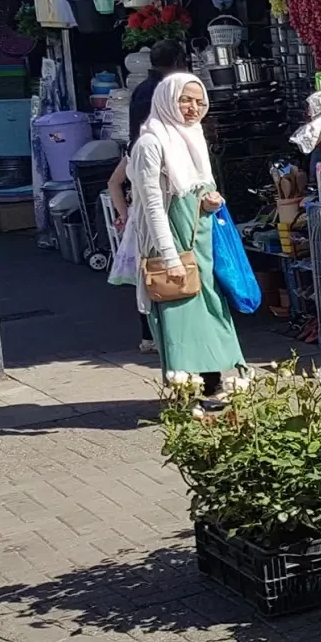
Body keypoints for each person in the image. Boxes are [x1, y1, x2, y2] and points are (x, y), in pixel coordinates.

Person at [129, 72, 243, 400]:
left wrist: (211, 198)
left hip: (202, 242)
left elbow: (198, 185)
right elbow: (151, 205)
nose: (193, 108)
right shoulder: (151, 142)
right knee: (182, 316)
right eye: (185, 100)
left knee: (210, 311)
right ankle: (188, 389)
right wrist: (168, 256)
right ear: (167, 99)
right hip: (173, 244)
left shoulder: (193, 135)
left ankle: (213, 384)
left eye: (198, 101)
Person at [108, 41, 193, 353]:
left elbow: (113, 182)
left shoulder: (147, 90)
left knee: (150, 268)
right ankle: (158, 333)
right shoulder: (156, 102)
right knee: (158, 265)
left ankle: (153, 334)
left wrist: (124, 214)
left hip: (143, 195)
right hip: (152, 196)